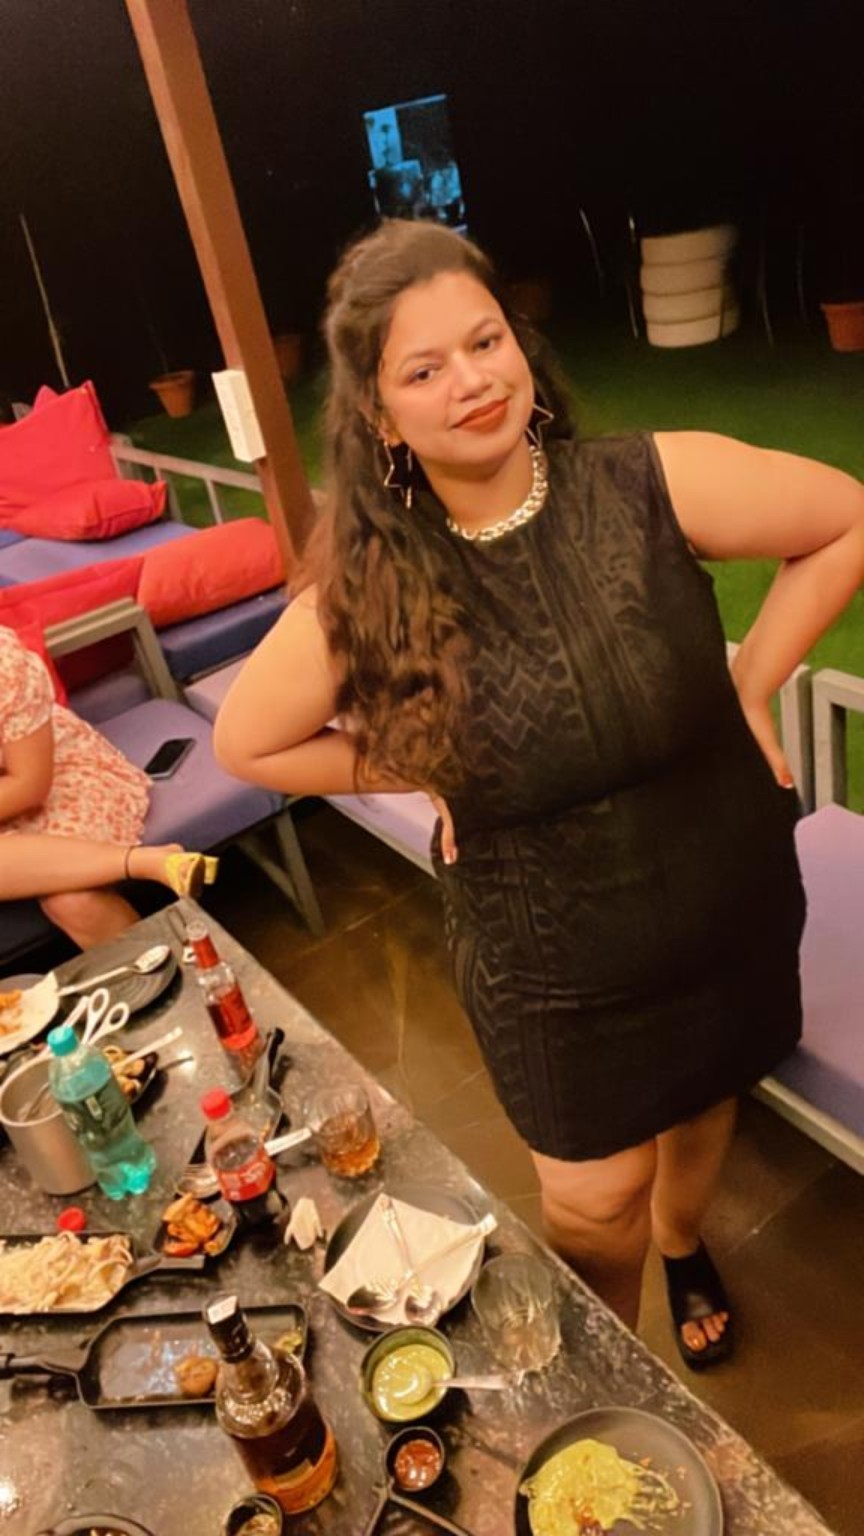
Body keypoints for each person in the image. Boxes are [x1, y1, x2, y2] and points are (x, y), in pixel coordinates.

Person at [213, 219, 864, 1368]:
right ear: (380, 416)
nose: (471, 381)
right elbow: (249, 742)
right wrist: (428, 762)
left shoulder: (649, 482)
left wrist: (750, 685)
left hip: (724, 893)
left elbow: (846, 514)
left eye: (485, 341)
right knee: (591, 1202)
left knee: (708, 1101)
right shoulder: (371, 581)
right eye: (424, 369)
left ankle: (685, 1241)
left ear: (521, 344)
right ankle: (607, 1369)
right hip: (554, 962)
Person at [0, 625, 217, 949]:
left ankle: (169, 974)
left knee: (75, 901)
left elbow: (28, 785)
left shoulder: (4, 664)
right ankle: (142, 861)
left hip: (50, 771)